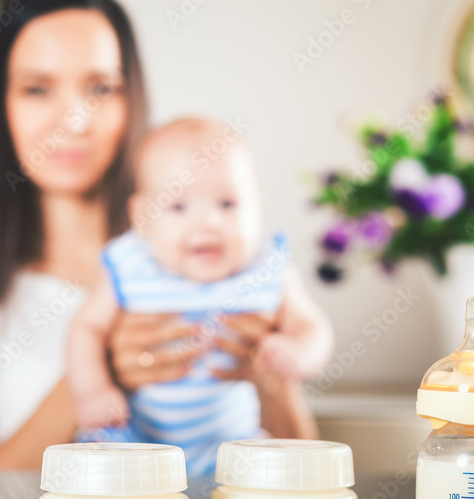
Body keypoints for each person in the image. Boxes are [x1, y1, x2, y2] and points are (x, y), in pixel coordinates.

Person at [0, 0, 321, 471]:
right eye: (36, 89)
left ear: (132, 99)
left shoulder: (218, 259)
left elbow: (301, 468)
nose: (75, 121)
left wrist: (266, 367)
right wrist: (98, 375)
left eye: (101, 88)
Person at [68, 118, 333, 475]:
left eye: (227, 204)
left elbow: (311, 324)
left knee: (270, 478)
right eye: (178, 207)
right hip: (135, 442)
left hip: (231, 445)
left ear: (257, 206)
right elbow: (87, 329)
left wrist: (300, 352)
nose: (208, 223)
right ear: (143, 218)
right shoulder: (131, 264)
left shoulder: (266, 266)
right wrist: (93, 391)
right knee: (93, 465)